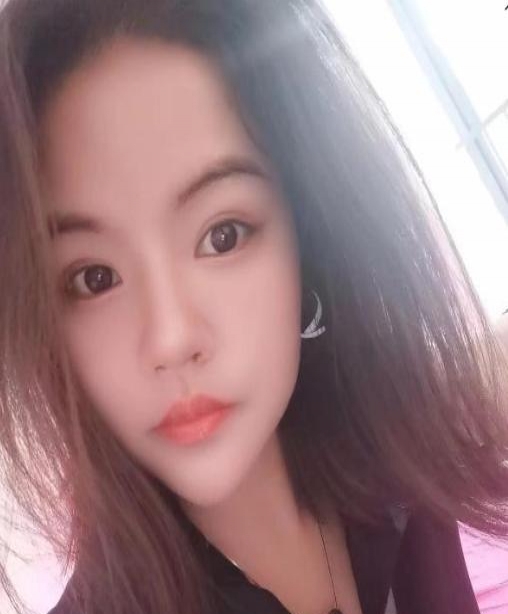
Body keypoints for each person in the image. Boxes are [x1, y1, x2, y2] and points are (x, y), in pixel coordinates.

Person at [1, 1, 508, 613]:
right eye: (95, 277)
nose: (170, 338)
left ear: (309, 233)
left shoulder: (396, 479)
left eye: (223, 236)